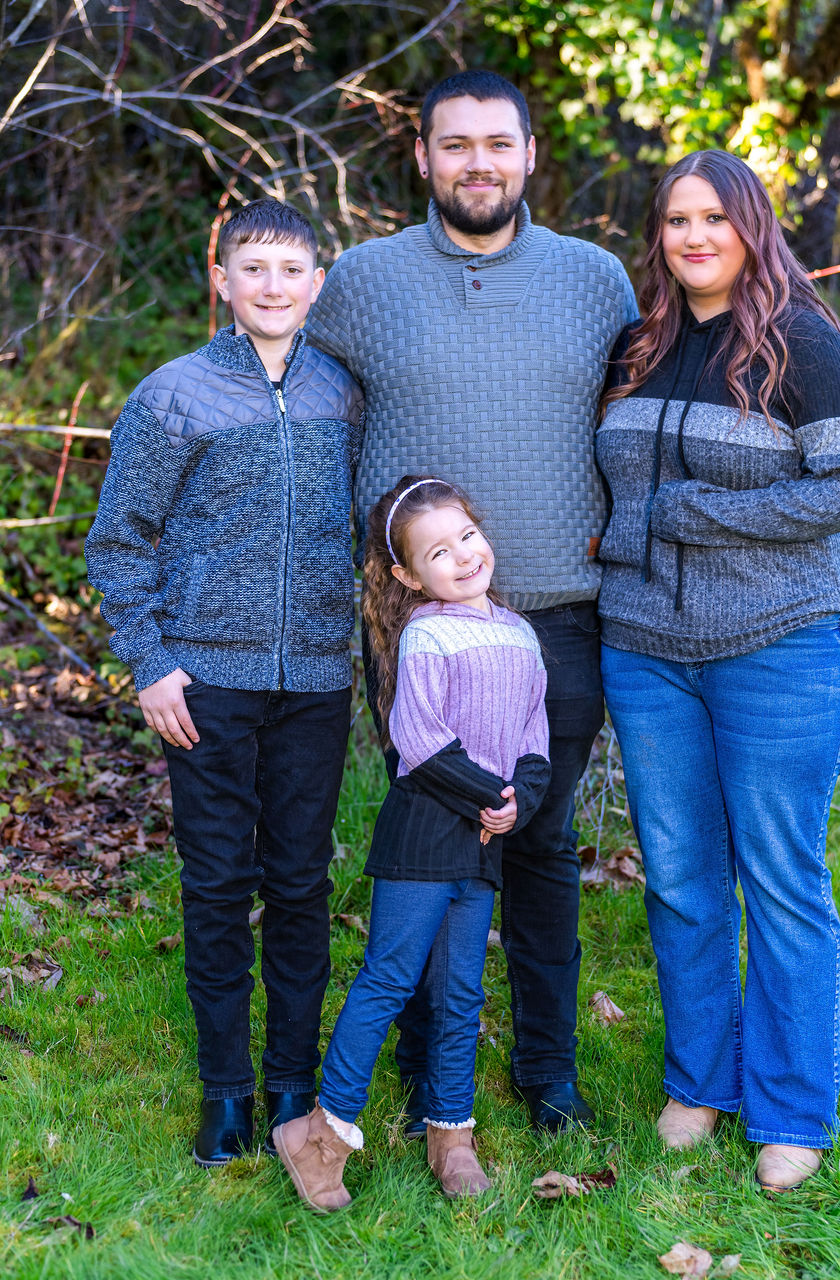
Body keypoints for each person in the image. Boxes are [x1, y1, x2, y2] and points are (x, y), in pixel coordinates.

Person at [305, 70, 638, 1133]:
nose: (478, 163)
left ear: (532, 153)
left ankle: (548, 1076)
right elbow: (302, 414)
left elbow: (637, 426)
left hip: (558, 617)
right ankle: (421, 1077)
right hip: (416, 629)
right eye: (455, 144)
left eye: (499, 143)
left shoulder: (595, 280)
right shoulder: (362, 281)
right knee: (433, 838)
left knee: (537, 842)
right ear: (422, 157)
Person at [596, 150, 840, 1191]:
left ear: (750, 227)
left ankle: (792, 1108)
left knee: (780, 878)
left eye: (715, 217)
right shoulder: (638, 344)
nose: (695, 237)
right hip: (644, 649)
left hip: (780, 642)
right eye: (677, 219)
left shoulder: (804, 342)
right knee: (680, 879)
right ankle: (698, 1083)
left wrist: (705, 514)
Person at [84, 199, 364, 1166]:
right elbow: (118, 540)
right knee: (215, 883)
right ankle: (226, 1092)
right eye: (253, 269)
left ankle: (291, 1081)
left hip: (316, 679)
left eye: (290, 271)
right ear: (222, 280)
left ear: (316, 283)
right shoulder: (176, 396)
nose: (272, 287)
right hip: (204, 680)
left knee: (300, 881)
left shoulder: (341, 393)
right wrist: (152, 664)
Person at [273, 476, 550, 1208]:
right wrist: (491, 796)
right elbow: (420, 741)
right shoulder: (426, 634)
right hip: (423, 839)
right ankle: (320, 1135)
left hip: (483, 842)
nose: (462, 556)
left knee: (461, 993)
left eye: (466, 536)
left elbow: (534, 734)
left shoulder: (520, 634)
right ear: (408, 576)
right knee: (390, 981)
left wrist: (522, 797)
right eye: (438, 552)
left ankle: (450, 1135)